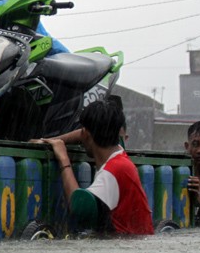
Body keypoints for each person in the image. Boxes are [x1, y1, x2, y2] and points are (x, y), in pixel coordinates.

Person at [40, 99, 154, 235]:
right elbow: (82, 134)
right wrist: (54, 140)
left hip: (126, 243)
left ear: (87, 134)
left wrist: (64, 160)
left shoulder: (114, 171)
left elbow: (80, 209)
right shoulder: (119, 153)